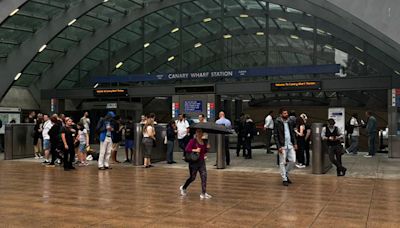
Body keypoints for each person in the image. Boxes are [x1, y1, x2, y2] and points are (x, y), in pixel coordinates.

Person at [180, 128, 212, 199]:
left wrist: (208, 148)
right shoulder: (193, 141)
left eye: (201, 132)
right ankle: (183, 187)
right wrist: (195, 149)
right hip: (194, 162)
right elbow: (187, 149)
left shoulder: (204, 141)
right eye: (198, 132)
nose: (199, 134)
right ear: (196, 133)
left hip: (201, 162)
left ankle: (203, 193)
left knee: (204, 176)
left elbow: (204, 151)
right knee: (192, 177)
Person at [274, 107, 297, 186]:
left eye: (287, 113)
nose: (286, 114)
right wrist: (278, 146)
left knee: (293, 160)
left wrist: (295, 143)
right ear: (281, 114)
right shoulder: (277, 122)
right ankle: (284, 178)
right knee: (282, 162)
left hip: (290, 144)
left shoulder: (290, 121)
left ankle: (286, 174)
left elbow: (292, 133)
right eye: (284, 113)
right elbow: (276, 135)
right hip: (282, 145)